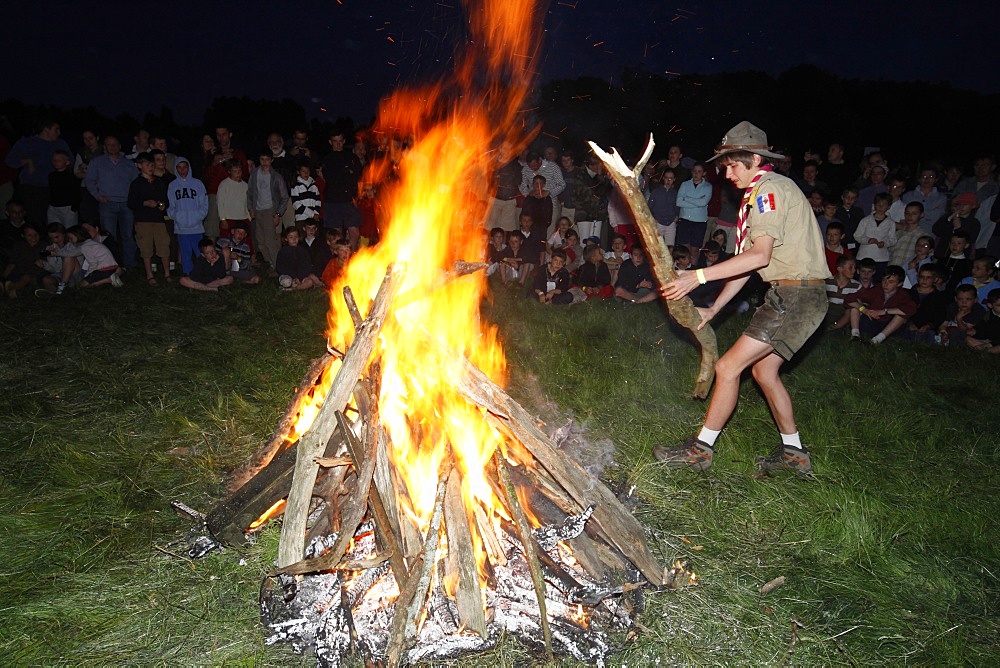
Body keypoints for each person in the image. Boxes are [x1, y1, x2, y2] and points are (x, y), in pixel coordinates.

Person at [654, 121, 830, 476]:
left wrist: (697, 276)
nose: (727, 173)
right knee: (765, 372)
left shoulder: (769, 192)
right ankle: (795, 457)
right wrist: (714, 308)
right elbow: (744, 266)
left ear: (754, 159)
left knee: (727, 367)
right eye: (724, 166)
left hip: (796, 294)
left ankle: (699, 452)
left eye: (733, 164)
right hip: (794, 293)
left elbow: (759, 257)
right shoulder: (758, 196)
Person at [84, 135, 138, 269]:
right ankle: (111, 264)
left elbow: (136, 183)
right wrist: (98, 196)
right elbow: (89, 181)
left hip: (126, 204)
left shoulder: (129, 164)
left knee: (128, 235)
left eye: (115, 144)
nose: (112, 147)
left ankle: (130, 264)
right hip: (107, 204)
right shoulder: (97, 162)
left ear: (119, 146)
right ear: (105, 147)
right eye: (109, 144)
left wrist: (133, 199)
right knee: (109, 236)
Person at [127, 153, 172, 285]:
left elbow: (165, 200)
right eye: (147, 165)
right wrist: (145, 203)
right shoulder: (136, 184)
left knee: (163, 245)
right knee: (146, 248)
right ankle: (149, 275)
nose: (150, 167)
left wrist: (162, 205)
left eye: (152, 165)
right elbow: (131, 203)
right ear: (139, 166)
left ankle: (167, 273)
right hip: (143, 220)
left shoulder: (159, 182)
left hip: (158, 220)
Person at [847, 264, 917, 344]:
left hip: (889, 326)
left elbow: (911, 309)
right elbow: (849, 298)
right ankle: (855, 336)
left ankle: (876, 340)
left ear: (899, 284)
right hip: (872, 321)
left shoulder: (903, 294)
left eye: (891, 282)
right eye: (884, 280)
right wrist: (864, 310)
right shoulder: (877, 289)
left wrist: (884, 311)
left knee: (901, 315)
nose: (885, 284)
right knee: (855, 306)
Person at [247, 148, 289, 271]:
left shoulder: (276, 176)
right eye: (262, 159)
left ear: (271, 160)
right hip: (258, 210)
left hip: (270, 210)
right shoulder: (254, 174)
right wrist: (251, 207)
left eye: (267, 159)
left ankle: (277, 266)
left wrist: (278, 213)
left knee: (270, 240)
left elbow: (284, 197)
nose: (264, 162)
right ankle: (270, 262)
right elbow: (250, 192)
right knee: (260, 241)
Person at [320, 130, 363, 250]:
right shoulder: (326, 159)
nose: (338, 144)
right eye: (335, 141)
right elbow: (324, 177)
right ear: (330, 142)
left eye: (340, 141)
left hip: (350, 201)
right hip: (333, 201)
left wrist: (358, 197)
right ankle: (338, 261)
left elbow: (359, 179)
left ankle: (352, 259)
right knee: (336, 235)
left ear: (344, 142)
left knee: (354, 232)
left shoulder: (352, 158)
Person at [166, 157, 208, 275]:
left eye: (185, 167)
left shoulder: (197, 184)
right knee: (185, 253)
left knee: (200, 252)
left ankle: (203, 273)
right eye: (179, 167)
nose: (182, 170)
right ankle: (188, 274)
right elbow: (171, 205)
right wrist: (177, 217)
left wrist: (198, 216)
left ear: (189, 168)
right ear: (175, 168)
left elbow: (204, 204)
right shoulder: (173, 185)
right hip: (181, 227)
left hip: (196, 227)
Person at [854, 192, 896, 279]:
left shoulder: (891, 223)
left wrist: (884, 243)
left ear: (889, 206)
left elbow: (893, 239)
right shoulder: (865, 220)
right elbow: (857, 235)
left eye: (884, 204)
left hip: (881, 258)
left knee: (877, 282)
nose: (880, 207)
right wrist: (868, 240)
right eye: (878, 204)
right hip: (864, 256)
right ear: (874, 205)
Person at [675, 163, 712, 258]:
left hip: (699, 222)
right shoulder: (685, 184)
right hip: (685, 220)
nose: (696, 173)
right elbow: (679, 202)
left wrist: (686, 198)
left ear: (704, 173)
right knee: (684, 250)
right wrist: (697, 202)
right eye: (694, 171)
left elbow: (703, 203)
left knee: (695, 250)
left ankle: (694, 269)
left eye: (699, 171)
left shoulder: (708, 187)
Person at [902, 169, 946, 234]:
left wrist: (916, 214)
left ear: (936, 180)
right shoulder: (908, 196)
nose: (927, 179)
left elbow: (937, 217)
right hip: (909, 232)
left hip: (930, 234)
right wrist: (931, 212)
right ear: (919, 179)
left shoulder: (941, 198)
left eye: (931, 177)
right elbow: (905, 216)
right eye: (924, 176)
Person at [825, 255, 861, 329]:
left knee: (850, 309)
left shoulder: (856, 285)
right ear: (840, 269)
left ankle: (834, 327)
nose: (854, 270)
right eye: (850, 267)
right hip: (828, 309)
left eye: (855, 267)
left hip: (843, 311)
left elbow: (859, 305)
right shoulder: (827, 282)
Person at [47, 150, 79, 226]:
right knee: (54, 230)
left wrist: (74, 208)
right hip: (53, 207)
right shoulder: (51, 176)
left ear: (67, 162)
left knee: (70, 231)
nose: (56, 162)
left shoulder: (71, 177)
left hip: (67, 208)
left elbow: (76, 193)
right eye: (54, 160)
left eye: (59, 160)